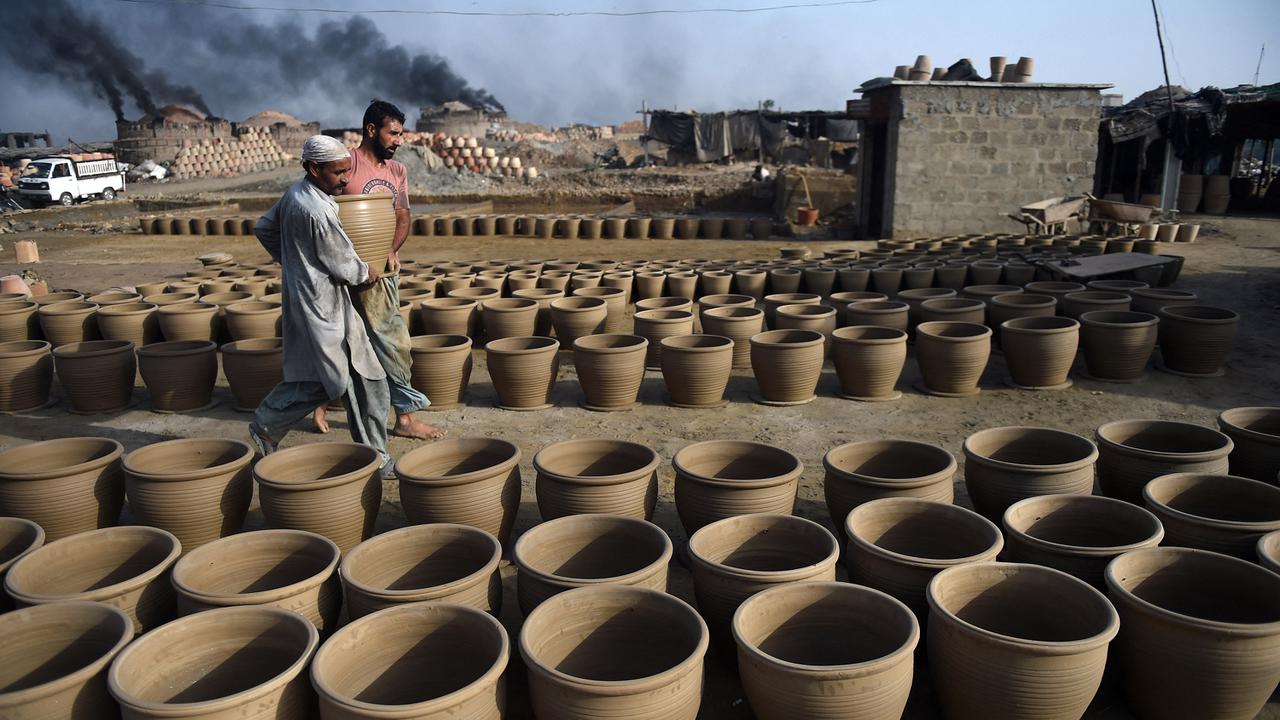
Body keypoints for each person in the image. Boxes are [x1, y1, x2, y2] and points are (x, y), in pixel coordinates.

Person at [247, 134, 393, 474]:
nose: (345, 178)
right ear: (314, 168)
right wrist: (367, 271)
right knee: (348, 379)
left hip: (316, 297)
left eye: (347, 170)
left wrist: (294, 262)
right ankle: (374, 457)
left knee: (341, 376)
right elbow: (344, 263)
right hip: (322, 304)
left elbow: (264, 228)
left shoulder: (297, 194)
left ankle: (373, 453)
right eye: (338, 172)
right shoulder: (315, 209)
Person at [311, 99, 446, 441]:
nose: (399, 140)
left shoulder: (397, 171)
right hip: (340, 271)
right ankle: (318, 401)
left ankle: (405, 417)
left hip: (380, 273)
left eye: (401, 133)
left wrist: (390, 249)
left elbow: (402, 215)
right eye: (394, 133)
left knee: (393, 341)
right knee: (336, 339)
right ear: (371, 130)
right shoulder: (345, 165)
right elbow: (317, 213)